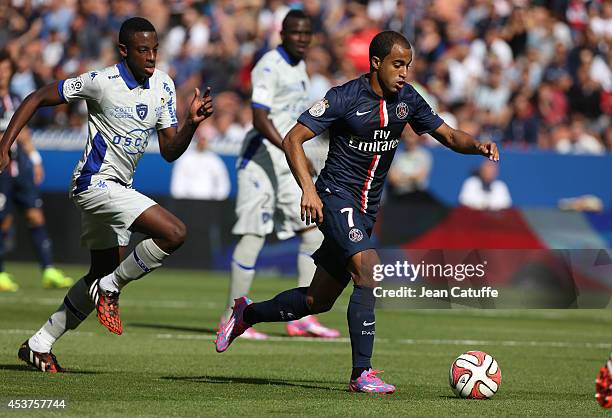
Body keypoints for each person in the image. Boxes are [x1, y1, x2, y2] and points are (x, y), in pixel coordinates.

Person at [215, 30, 499, 394]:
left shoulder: (408, 100)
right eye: (398, 64)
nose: (404, 73)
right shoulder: (344, 97)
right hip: (335, 196)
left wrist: (478, 145)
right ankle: (361, 374)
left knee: (317, 301)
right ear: (376, 63)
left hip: (366, 210)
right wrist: (308, 190)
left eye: (408, 65)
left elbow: (447, 135)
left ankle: (246, 314)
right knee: (368, 269)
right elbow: (292, 139)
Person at [0, 17, 213, 372]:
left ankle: (40, 343)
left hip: (117, 188)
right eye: (143, 50)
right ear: (124, 51)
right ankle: (111, 289)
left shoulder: (163, 85)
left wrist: (190, 123)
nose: (151, 57)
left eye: (155, 49)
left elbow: (170, 150)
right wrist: (5, 144)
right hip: (93, 183)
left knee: (100, 271)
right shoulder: (101, 81)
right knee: (174, 232)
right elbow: (37, 97)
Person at [221, 9, 338, 340]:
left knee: (312, 227)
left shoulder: (299, 67)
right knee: (253, 235)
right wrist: (291, 148)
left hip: (286, 159)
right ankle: (234, 315)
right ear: (283, 34)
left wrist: (298, 154)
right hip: (259, 158)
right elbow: (260, 118)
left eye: (306, 33)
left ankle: (301, 318)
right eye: (295, 32)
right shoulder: (268, 65)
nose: (302, 38)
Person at [0, 50, 73, 292]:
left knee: (35, 215)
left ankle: (48, 270)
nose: (2, 75)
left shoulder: (14, 97)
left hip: (20, 168)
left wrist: (35, 158)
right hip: (1, 170)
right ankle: (0, 273)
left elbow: (23, 132)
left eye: (6, 71)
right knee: (4, 220)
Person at [170, 133, 230, 201]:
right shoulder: (185, 158)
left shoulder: (214, 160)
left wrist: (218, 198)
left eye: (204, 140)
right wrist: (180, 198)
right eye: (200, 140)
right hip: (188, 200)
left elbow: (222, 180)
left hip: (209, 201)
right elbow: (178, 179)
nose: (202, 143)